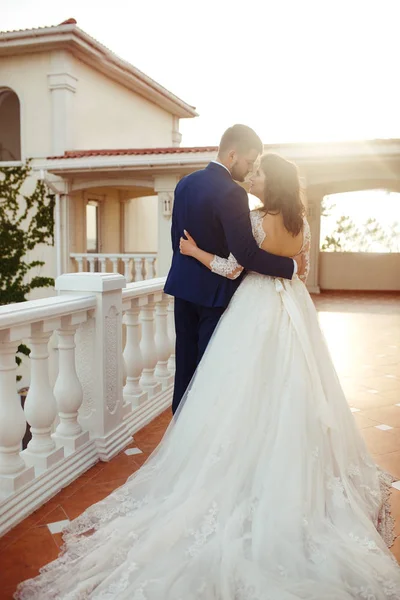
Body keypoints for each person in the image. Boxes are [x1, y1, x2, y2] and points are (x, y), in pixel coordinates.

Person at [15, 154, 400, 600]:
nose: (250, 177)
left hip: (253, 309)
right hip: (293, 310)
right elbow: (304, 271)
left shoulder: (256, 220)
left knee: (238, 392)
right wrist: (290, 271)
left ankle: (244, 461)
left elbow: (236, 266)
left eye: (258, 173)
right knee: (296, 386)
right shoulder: (303, 223)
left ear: (268, 182)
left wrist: (195, 251)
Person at [164, 125, 301, 414]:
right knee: (209, 371)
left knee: (185, 364)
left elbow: (176, 240)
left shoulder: (185, 183)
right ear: (232, 154)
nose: (250, 170)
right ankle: (201, 432)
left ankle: (179, 432)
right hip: (215, 294)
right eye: (249, 162)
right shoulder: (232, 193)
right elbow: (246, 254)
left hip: (183, 287)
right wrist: (289, 266)